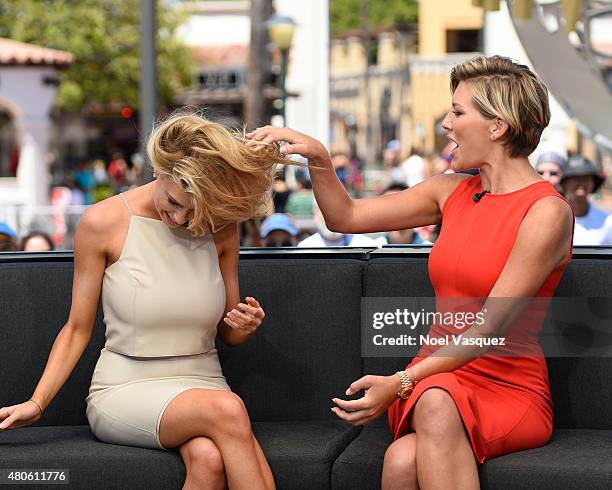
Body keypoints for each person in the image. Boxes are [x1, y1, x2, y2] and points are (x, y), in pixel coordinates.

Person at [248, 55, 574, 489]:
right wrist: (319, 157)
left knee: (415, 439)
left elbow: (489, 328)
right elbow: (344, 217)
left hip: (505, 387)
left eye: (457, 112)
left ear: (497, 126)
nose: (446, 123)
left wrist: (400, 381)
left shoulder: (546, 212)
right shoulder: (449, 190)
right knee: (405, 453)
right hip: (436, 378)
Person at [0, 112, 293, 490]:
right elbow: (76, 329)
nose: (179, 218)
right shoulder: (102, 222)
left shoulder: (221, 226)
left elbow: (228, 334)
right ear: (159, 170)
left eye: (194, 210)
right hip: (127, 386)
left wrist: (243, 327)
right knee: (229, 410)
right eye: (173, 202)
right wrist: (37, 403)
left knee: (209, 459)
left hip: (204, 382)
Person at [560, 155, 612, 245]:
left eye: (586, 178)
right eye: (575, 178)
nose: (581, 183)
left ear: (593, 183)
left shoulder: (607, 222)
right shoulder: (555, 219)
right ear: (564, 183)